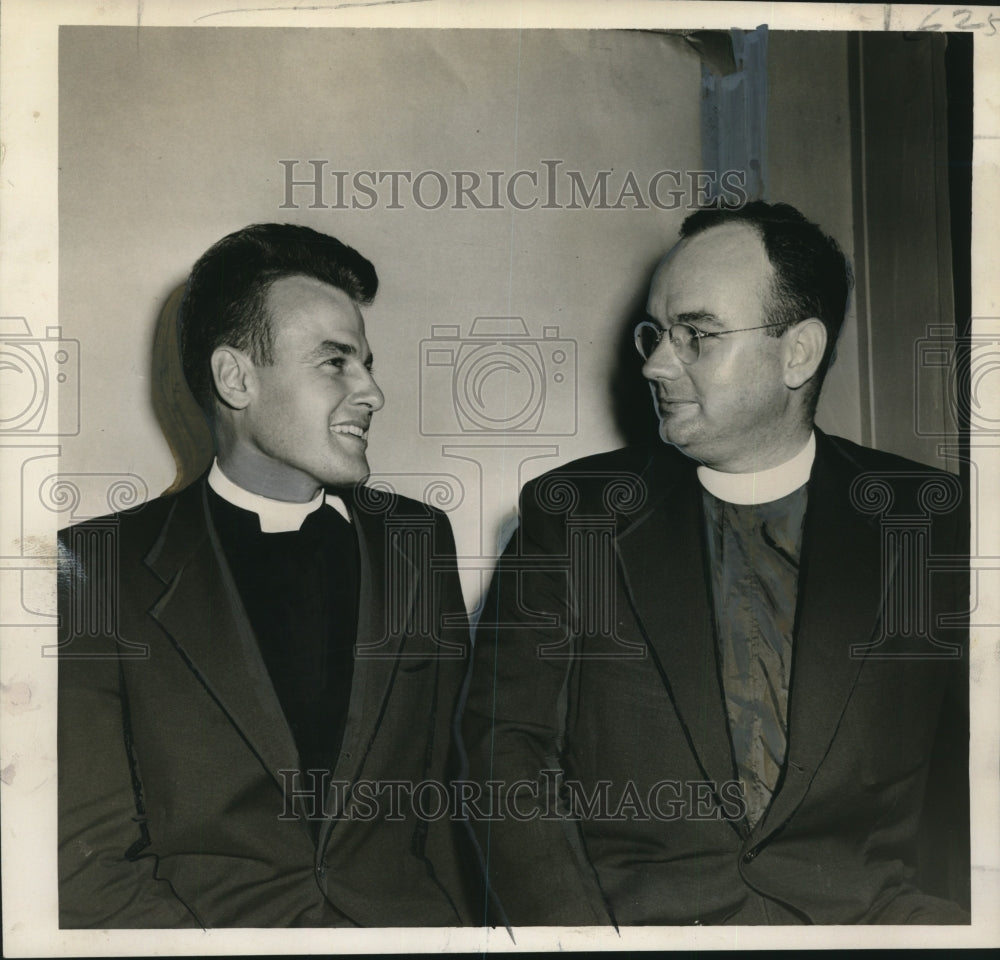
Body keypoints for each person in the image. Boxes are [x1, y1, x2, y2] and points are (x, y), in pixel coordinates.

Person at [462, 201, 969, 925]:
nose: (655, 363)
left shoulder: (932, 521)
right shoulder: (575, 514)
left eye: (696, 335)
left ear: (798, 351)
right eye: (656, 333)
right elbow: (499, 752)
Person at [58, 223, 472, 927]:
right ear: (235, 378)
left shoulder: (418, 541)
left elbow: (454, 808)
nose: (372, 391)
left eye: (368, 362)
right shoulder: (95, 568)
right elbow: (88, 864)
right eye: (336, 362)